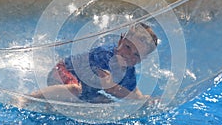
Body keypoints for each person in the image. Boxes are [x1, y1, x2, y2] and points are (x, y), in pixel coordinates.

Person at [30, 22, 158, 103]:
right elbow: (110, 88)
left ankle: (54, 103)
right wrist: (134, 99)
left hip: (86, 88)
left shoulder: (129, 70)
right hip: (63, 71)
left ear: (142, 59)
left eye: (136, 54)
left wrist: (144, 99)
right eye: (128, 47)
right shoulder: (105, 55)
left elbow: (133, 91)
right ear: (120, 41)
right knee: (74, 89)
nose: (129, 55)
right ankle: (30, 97)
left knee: (106, 103)